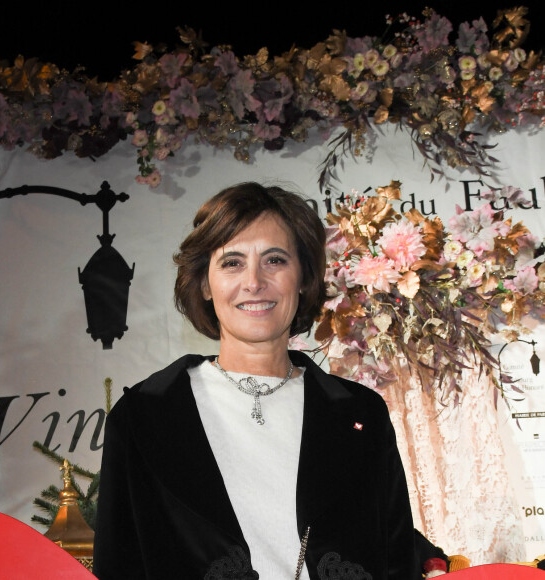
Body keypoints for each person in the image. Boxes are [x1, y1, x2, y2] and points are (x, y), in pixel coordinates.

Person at [93, 182, 416, 580]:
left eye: (274, 260)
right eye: (231, 262)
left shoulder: (361, 414)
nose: (254, 281)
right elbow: (119, 567)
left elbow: (396, 561)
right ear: (204, 283)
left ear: (303, 278)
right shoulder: (144, 417)